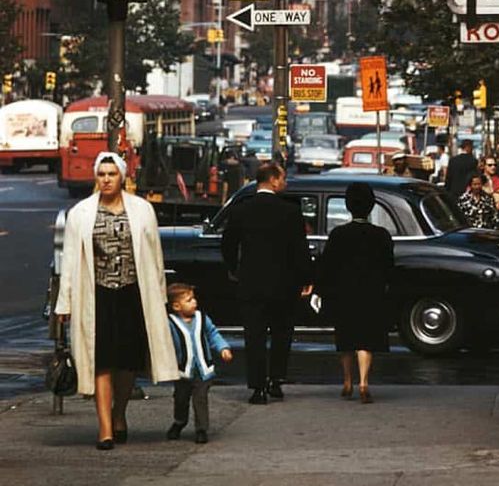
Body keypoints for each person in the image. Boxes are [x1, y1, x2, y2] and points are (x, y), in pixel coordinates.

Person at [55, 152, 178, 450]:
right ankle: (105, 429)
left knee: (126, 364)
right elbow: (69, 261)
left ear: (122, 177)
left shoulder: (142, 210)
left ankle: (119, 413)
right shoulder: (80, 213)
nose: (106, 179)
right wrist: (64, 303)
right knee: (102, 363)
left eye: (112, 174)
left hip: (132, 294)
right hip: (96, 296)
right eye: (102, 174)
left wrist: (160, 296)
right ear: (96, 177)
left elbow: (155, 256)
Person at [221, 161, 312, 404]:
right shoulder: (291, 211)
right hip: (284, 283)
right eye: (282, 178)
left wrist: (234, 268)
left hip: (252, 281)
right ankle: (276, 380)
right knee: (282, 333)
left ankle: (257, 387)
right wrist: (306, 277)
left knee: (255, 335)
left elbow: (228, 243)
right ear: (272, 180)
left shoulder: (242, 209)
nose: (285, 182)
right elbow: (299, 249)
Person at [316, 183, 394, 404]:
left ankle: (347, 381)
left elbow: (327, 266)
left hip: (344, 292)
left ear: (349, 206)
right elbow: (389, 266)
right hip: (371, 292)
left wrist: (321, 290)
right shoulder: (381, 235)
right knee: (366, 340)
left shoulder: (338, 235)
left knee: (347, 339)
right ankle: (364, 383)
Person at [166, 283, 233, 445]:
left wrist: (223, 348)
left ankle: (201, 429)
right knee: (181, 398)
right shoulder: (171, 323)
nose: (194, 302)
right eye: (189, 300)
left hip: (203, 370)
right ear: (176, 306)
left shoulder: (202, 318)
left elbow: (213, 334)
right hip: (183, 371)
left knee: (200, 399)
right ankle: (180, 421)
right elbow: (166, 344)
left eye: (194, 298)